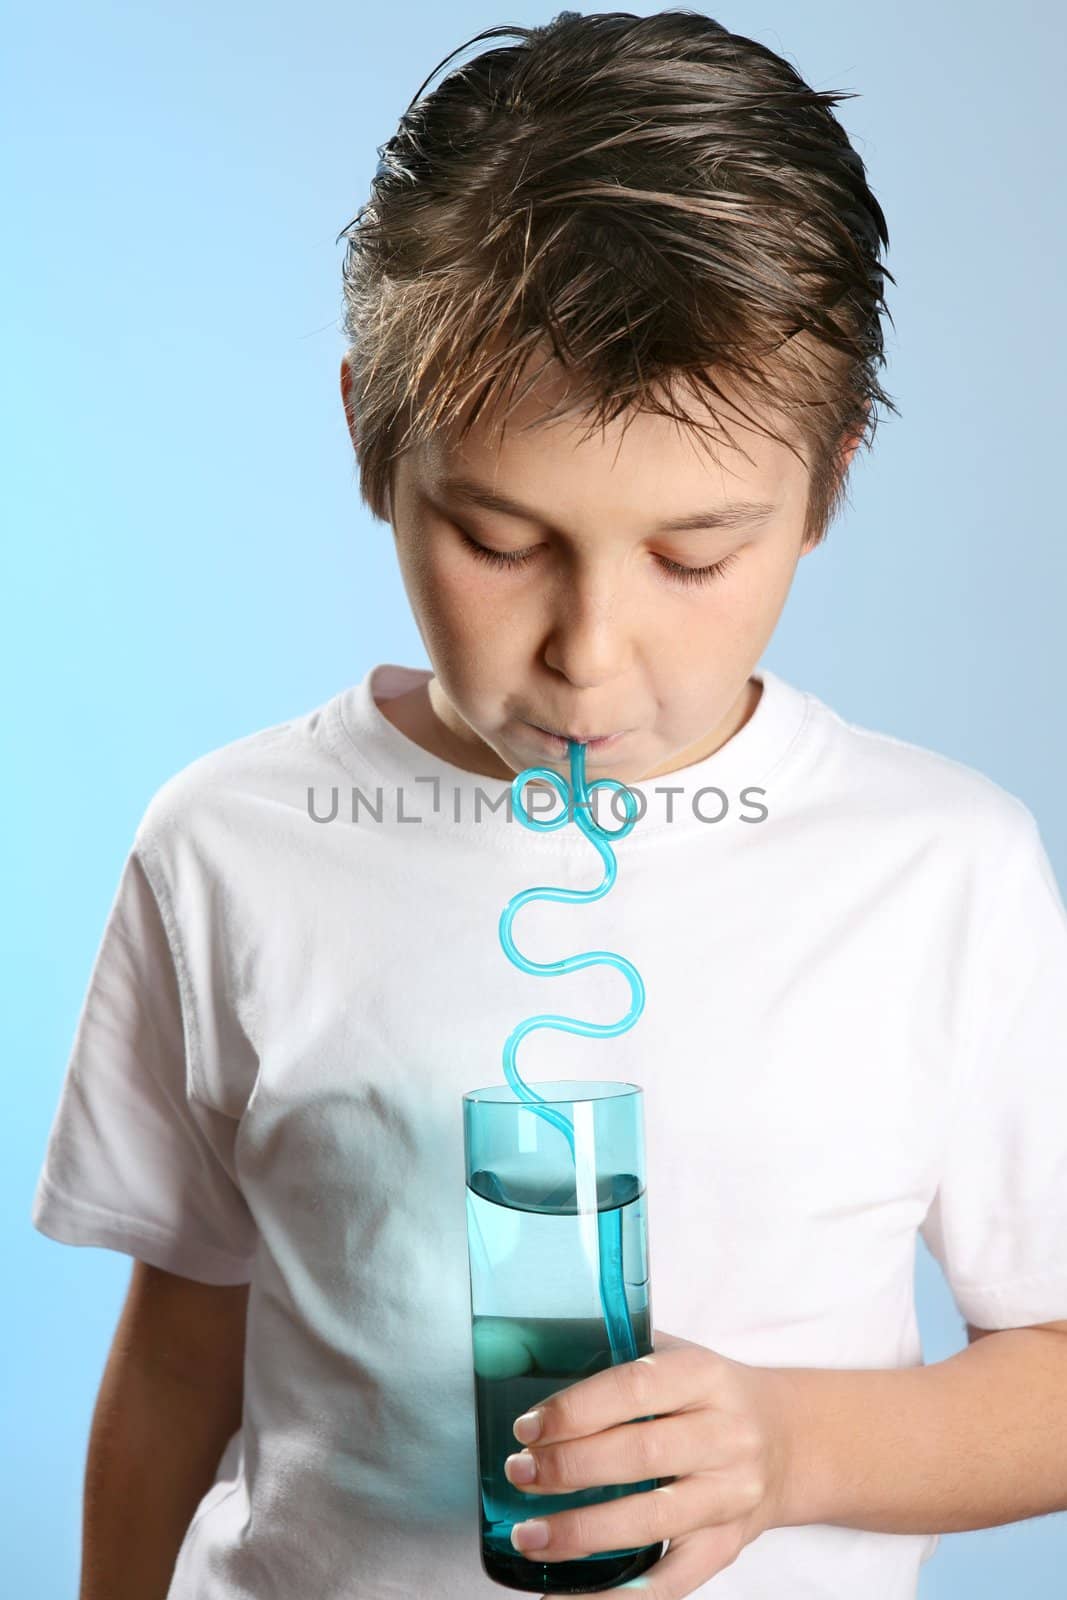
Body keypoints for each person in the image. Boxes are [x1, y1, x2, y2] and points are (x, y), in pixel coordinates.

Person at [31, 12, 1067, 1600]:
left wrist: (794, 1451)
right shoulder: (229, 845)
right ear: (371, 441)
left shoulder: (945, 872)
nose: (590, 659)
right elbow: (184, 1348)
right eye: (502, 541)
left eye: (694, 556)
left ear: (830, 484)